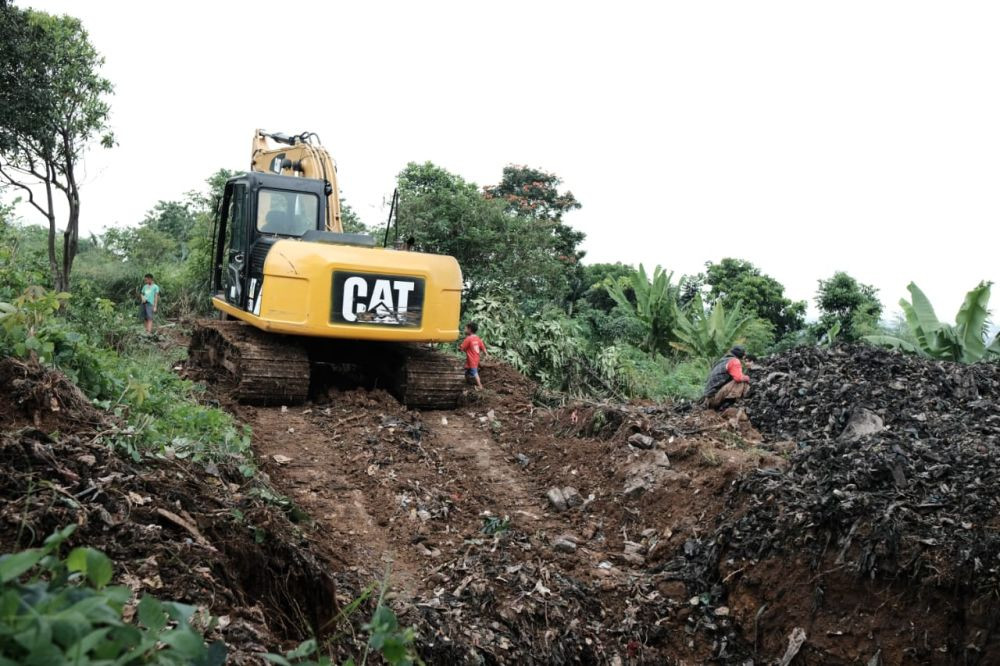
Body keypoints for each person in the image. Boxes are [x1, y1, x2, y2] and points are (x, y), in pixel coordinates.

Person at [703, 345, 750, 410]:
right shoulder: (734, 361)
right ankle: (727, 404)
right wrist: (748, 378)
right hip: (714, 399)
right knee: (742, 382)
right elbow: (738, 378)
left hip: (708, 400)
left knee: (739, 379)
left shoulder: (723, 360)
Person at [459, 321, 487, 390]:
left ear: (469, 329)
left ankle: (480, 386)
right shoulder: (477, 338)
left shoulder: (468, 339)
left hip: (471, 359)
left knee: (474, 372)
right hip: (475, 358)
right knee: (467, 371)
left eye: (465, 328)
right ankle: (468, 383)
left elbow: (462, 348)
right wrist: (486, 354)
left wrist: (459, 348)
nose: (464, 330)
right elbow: (482, 347)